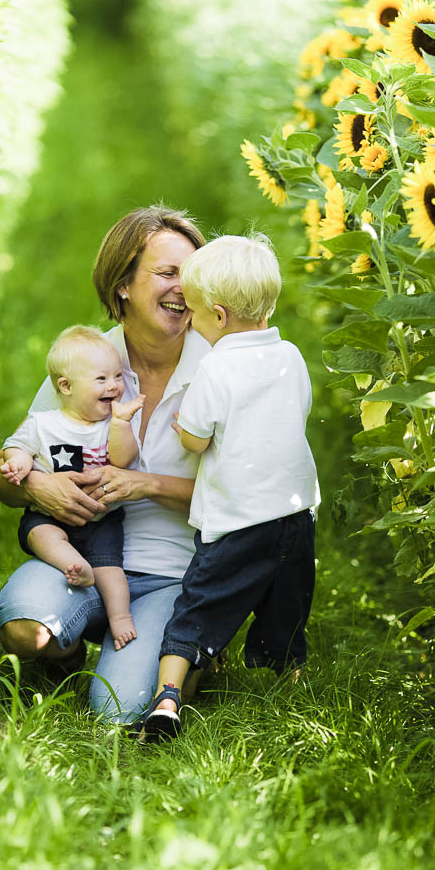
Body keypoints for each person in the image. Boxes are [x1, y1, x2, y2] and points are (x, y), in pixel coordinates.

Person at [0, 206, 214, 725]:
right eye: (167, 273)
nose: (184, 288)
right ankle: (65, 653)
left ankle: (198, 643)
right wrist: (37, 486)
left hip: (174, 572)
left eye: (193, 274)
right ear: (122, 287)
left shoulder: (218, 369)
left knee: (118, 710)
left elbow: (249, 499)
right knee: (25, 626)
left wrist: (145, 484)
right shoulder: (88, 362)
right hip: (83, 559)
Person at [140, 234, 320, 741]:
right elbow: (295, 415)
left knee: (201, 603)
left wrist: (182, 425)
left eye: (194, 314)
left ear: (217, 316)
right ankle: (290, 687)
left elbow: (196, 440)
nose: (190, 322)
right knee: (288, 602)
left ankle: (167, 699)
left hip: (237, 519)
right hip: (295, 512)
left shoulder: (215, 367)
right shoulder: (291, 356)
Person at [0, 326, 146, 648]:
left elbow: (124, 459)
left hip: (101, 520)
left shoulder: (112, 425)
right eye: (101, 379)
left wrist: (121, 424)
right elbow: (16, 446)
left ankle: (120, 617)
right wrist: (20, 464)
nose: (114, 386)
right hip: (49, 516)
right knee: (41, 534)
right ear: (65, 386)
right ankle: (72, 566)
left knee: (111, 570)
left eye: (118, 377)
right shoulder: (44, 423)